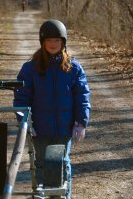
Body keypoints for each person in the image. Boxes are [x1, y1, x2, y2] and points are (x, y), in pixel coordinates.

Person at [13, 19, 91, 199]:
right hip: (39, 128)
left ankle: (64, 196)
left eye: (57, 40)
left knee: (62, 163)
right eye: (49, 40)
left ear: (63, 42)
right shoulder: (30, 68)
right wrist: (25, 121)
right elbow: (21, 98)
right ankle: (42, 195)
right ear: (42, 42)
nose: (53, 44)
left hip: (65, 127)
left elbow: (82, 96)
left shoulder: (73, 67)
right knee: (41, 163)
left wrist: (81, 122)